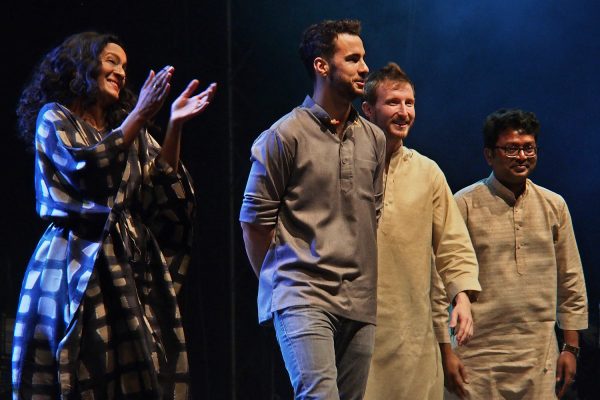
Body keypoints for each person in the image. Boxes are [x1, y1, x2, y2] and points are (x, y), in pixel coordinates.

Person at [13, 31, 217, 399]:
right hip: (73, 257)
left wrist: (173, 125)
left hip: (126, 263)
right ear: (81, 66)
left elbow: (161, 188)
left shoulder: (127, 129)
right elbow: (85, 169)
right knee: (79, 365)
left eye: (124, 66)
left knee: (137, 372)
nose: (122, 72)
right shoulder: (54, 118)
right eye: (111, 61)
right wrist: (140, 115)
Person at [239, 19, 385, 399]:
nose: (365, 68)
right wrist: (280, 284)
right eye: (353, 59)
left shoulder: (374, 138)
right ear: (322, 66)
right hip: (303, 295)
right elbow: (254, 224)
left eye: (364, 58)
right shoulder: (284, 135)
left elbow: (373, 214)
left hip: (360, 299)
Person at [442, 109, 588, 399]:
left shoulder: (554, 205)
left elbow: (570, 280)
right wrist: (446, 354)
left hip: (538, 358)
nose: (521, 156)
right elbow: (442, 278)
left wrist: (570, 348)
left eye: (528, 148)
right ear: (489, 155)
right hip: (477, 358)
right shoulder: (464, 204)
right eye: (511, 148)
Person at [360, 62, 481, 399]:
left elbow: (452, 244)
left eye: (409, 103)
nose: (404, 112)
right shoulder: (344, 165)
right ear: (368, 110)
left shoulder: (427, 172)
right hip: (357, 331)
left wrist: (462, 297)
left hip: (413, 338)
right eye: (393, 102)